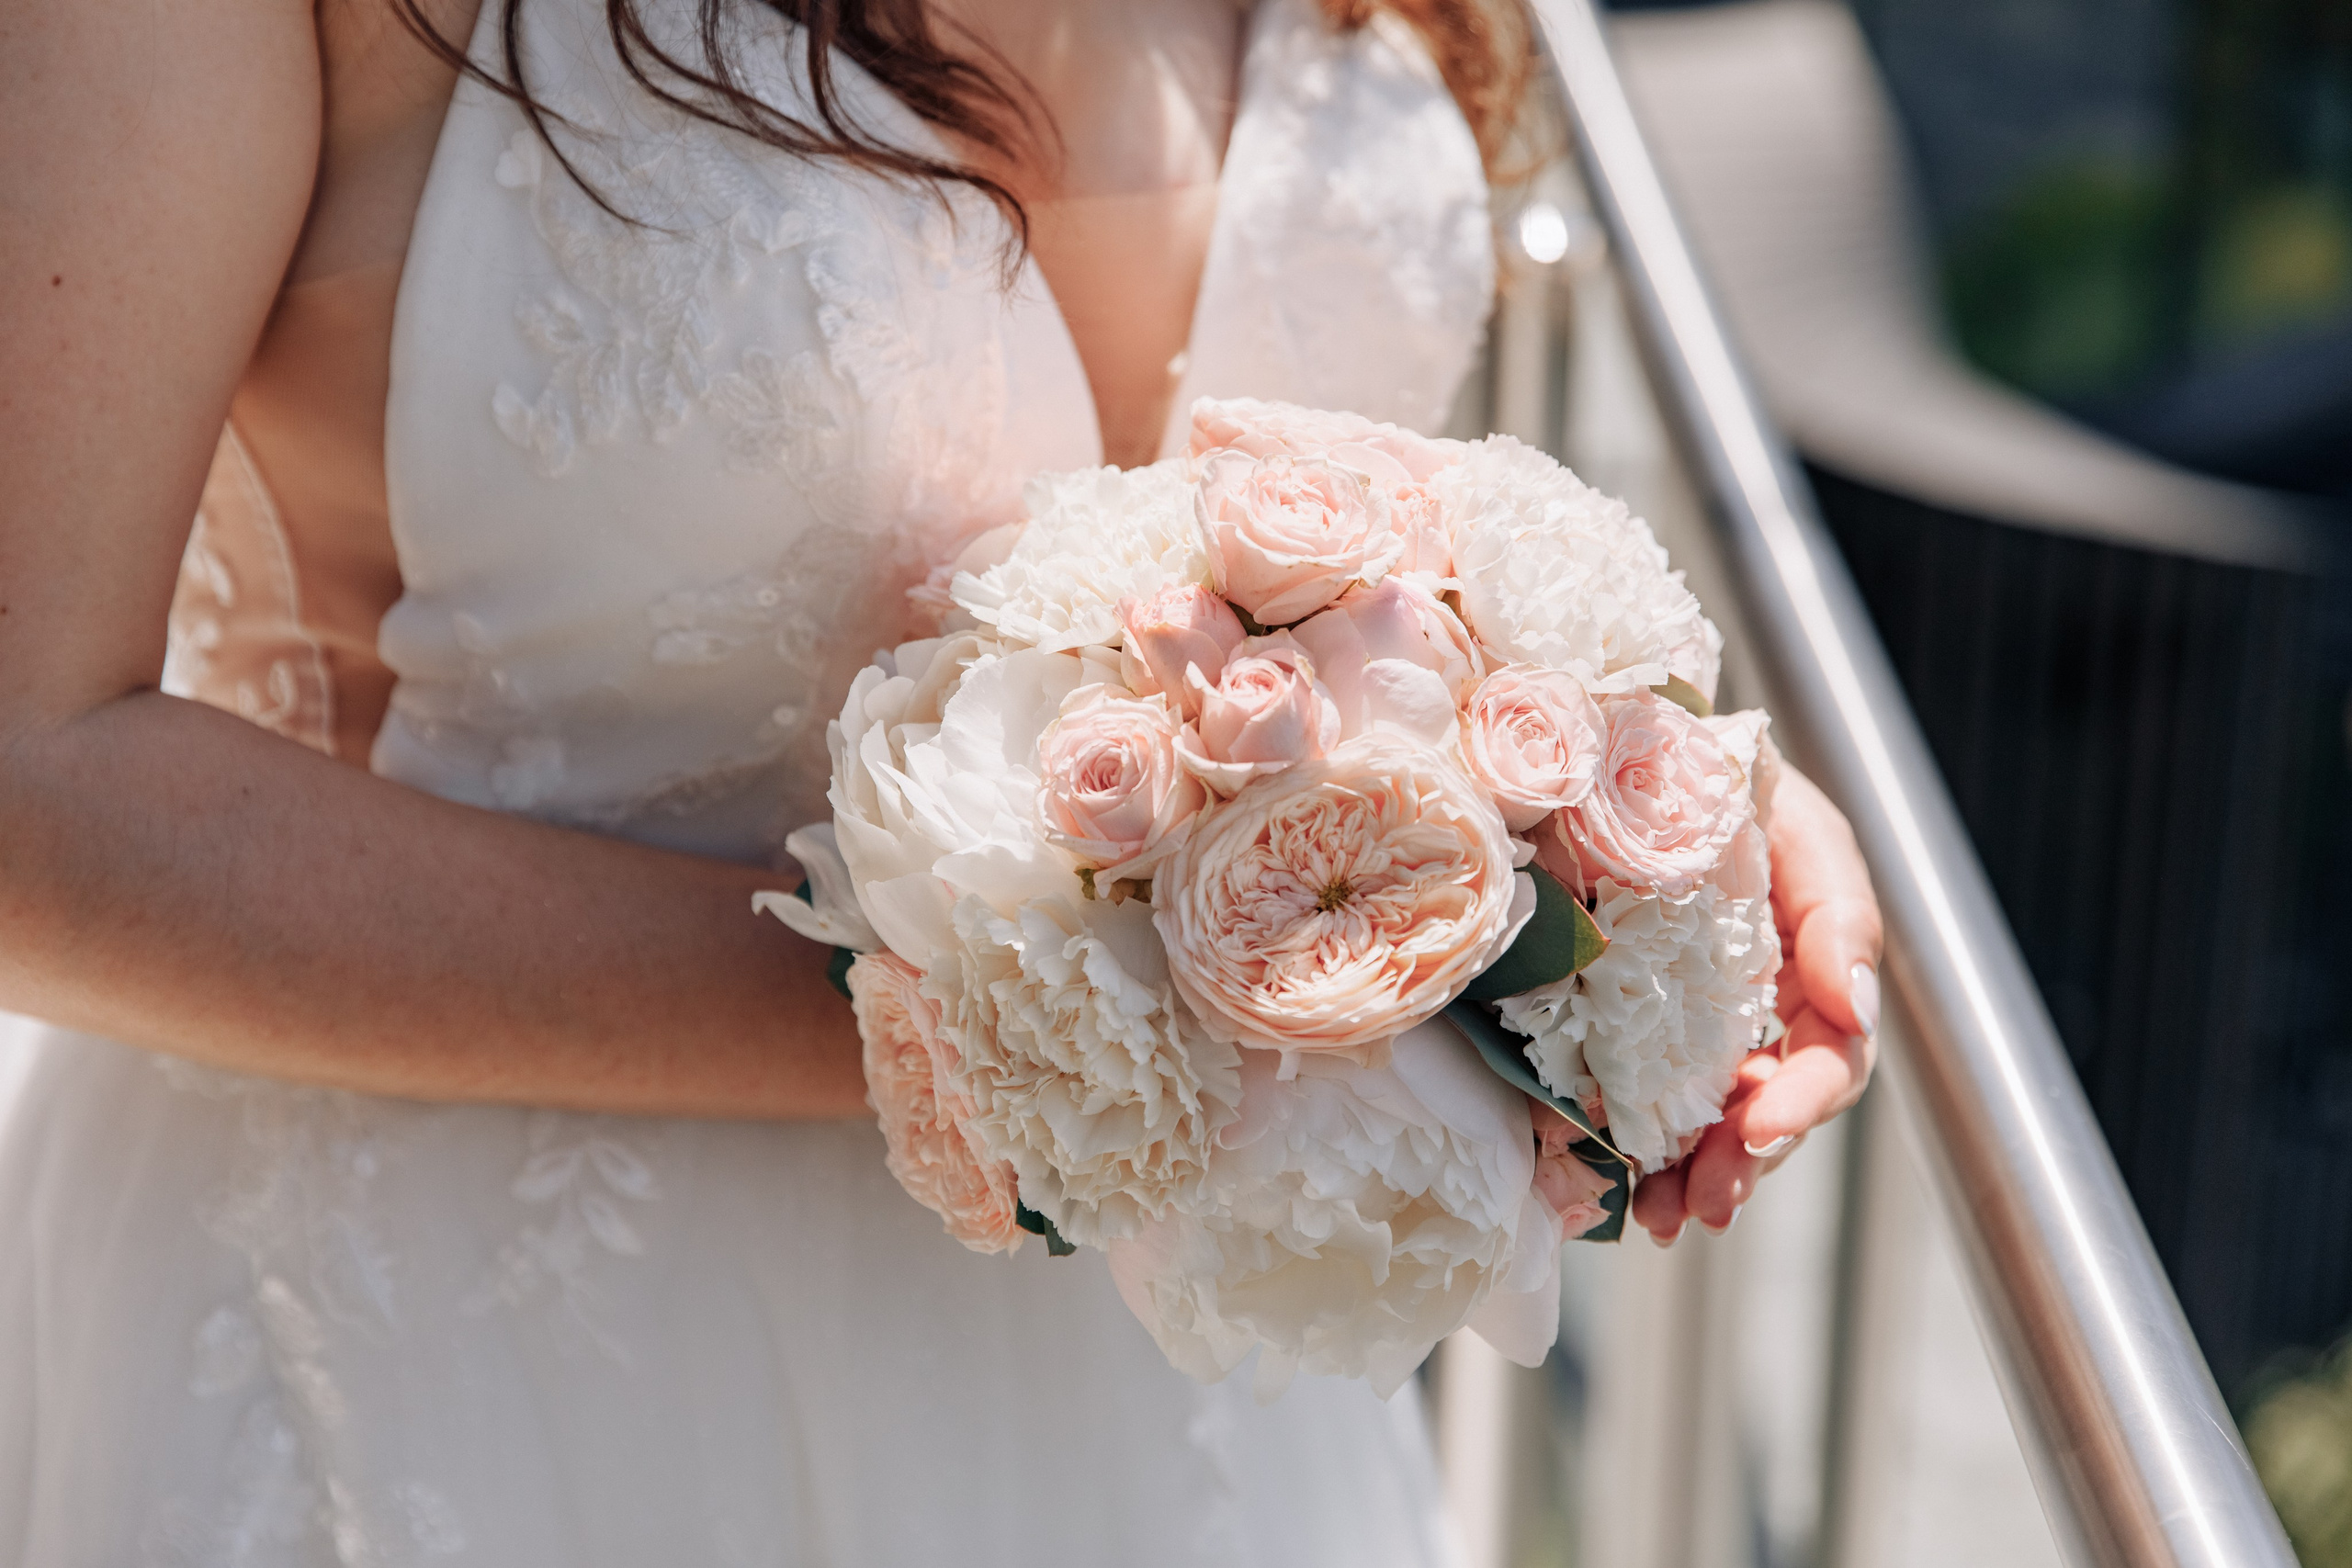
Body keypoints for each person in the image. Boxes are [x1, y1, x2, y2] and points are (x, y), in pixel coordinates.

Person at [0, 0, 1883, 1561]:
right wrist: (1047, 1016)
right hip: (474, 1387)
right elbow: (29, 789)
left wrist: (1584, 810)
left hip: (1168, 1427)